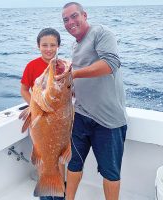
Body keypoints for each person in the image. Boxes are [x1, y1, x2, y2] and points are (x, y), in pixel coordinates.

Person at [62, 2, 127, 200]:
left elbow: (111, 63)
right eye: (66, 20)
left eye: (74, 16)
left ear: (84, 15)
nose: (70, 22)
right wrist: (70, 86)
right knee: (73, 164)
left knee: (110, 173)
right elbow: (79, 75)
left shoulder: (101, 33)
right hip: (81, 115)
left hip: (108, 120)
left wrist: (73, 74)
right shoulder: (74, 45)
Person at [20, 28, 65, 200]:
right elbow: (24, 89)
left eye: (53, 45)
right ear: (38, 46)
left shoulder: (63, 67)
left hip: (58, 119)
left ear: (59, 46)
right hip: (39, 119)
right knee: (41, 154)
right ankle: (45, 194)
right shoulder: (32, 66)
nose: (48, 49)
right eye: (44, 45)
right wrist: (33, 105)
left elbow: (68, 93)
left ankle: (61, 191)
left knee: (60, 158)